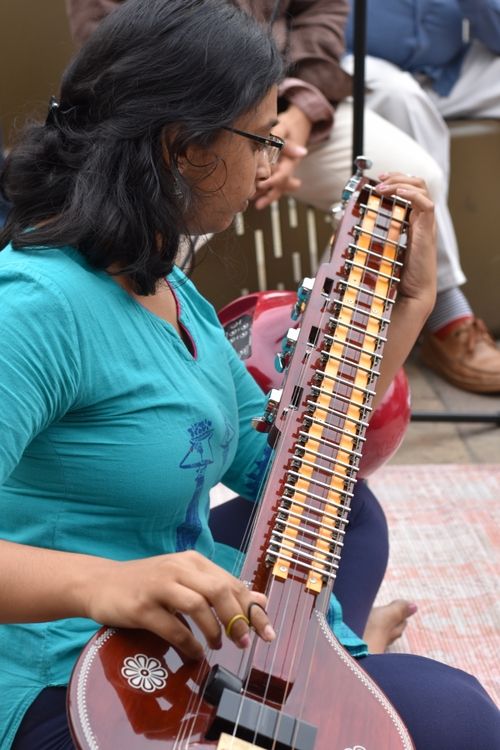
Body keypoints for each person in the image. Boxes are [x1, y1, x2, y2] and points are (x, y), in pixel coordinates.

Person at [0, 1, 498, 748]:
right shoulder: (37, 309)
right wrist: (105, 584)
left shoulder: (166, 285)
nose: (274, 160)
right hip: (72, 671)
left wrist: (410, 306)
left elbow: (289, 468)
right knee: (459, 720)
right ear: (183, 147)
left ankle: (333, 655)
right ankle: (348, 659)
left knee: (349, 512)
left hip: (187, 627)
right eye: (261, 138)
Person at [64, 0, 500, 395]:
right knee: (156, 220)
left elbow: (322, 14)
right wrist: (243, 140)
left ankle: (355, 358)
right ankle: (133, 372)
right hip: (174, 121)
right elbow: (117, 47)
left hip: (284, 103)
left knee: (407, 180)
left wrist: (299, 114)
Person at [344, 0, 500, 393]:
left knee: (412, 100)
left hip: (448, 71)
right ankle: (447, 316)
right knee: (403, 100)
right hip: (354, 66)